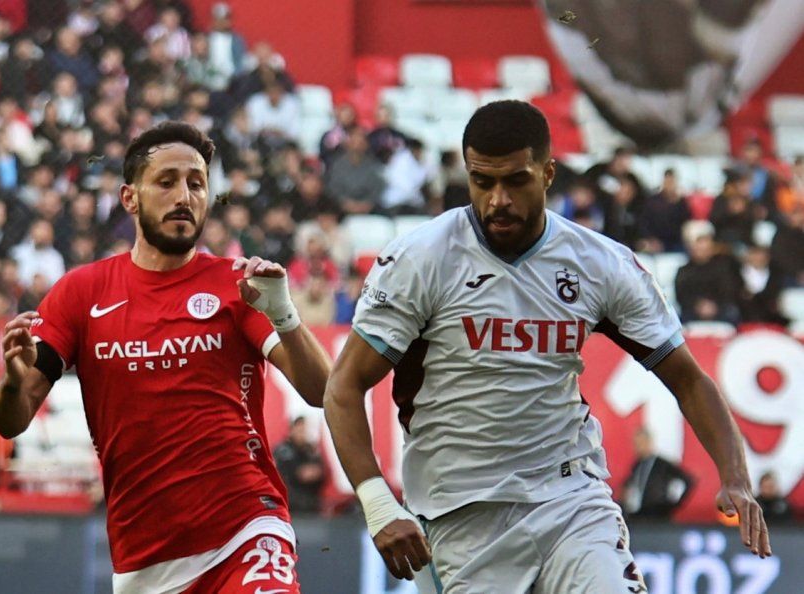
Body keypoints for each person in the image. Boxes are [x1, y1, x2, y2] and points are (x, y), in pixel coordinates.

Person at [323, 101, 771, 593]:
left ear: (548, 173)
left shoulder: (600, 264)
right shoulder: (421, 259)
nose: (497, 200)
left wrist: (735, 476)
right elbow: (344, 386)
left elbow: (687, 378)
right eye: (482, 181)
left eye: (515, 180)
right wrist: (378, 502)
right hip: (459, 514)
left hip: (569, 498)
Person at [0, 122, 332, 593]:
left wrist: (285, 313)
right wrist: (12, 381)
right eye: (166, 182)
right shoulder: (80, 293)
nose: (184, 196)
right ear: (130, 198)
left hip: (247, 530)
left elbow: (322, 391)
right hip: (145, 563)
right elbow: (11, 420)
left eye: (197, 183)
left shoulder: (238, 285)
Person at [621, 427, 693, 520]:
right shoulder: (637, 464)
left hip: (658, 516)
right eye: (635, 444)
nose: (637, 447)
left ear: (649, 442)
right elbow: (628, 485)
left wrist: (672, 504)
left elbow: (688, 480)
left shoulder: (662, 464)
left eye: (640, 443)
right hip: (638, 515)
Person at [273, 416, 326, 514]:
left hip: (311, 505)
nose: (302, 433)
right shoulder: (283, 449)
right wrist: (304, 472)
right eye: (299, 430)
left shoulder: (310, 450)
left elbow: (320, 472)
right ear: (292, 430)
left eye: (304, 430)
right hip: (290, 505)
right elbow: (295, 474)